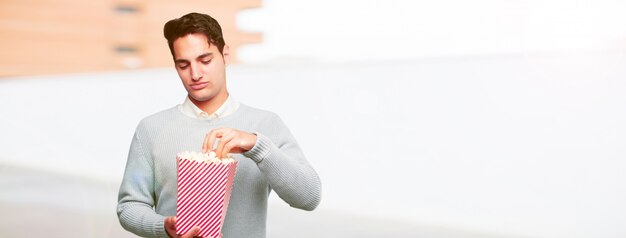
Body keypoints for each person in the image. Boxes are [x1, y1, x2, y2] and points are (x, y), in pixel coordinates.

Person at [117, 12, 322, 238]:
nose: (195, 74)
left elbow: (309, 197)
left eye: (205, 61)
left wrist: (256, 145)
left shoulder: (265, 125)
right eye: (183, 65)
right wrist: (163, 226)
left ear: (225, 55)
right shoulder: (151, 129)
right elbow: (129, 206)